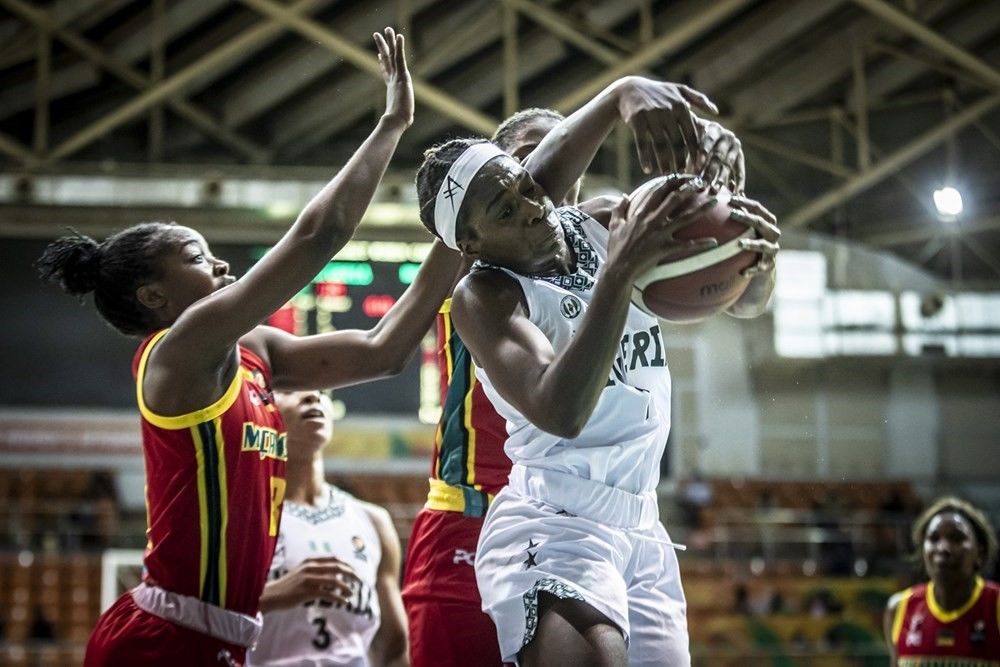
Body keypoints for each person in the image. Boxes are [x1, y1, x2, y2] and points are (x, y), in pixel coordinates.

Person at [36, 29, 455, 667]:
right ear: (154, 297)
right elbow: (320, 235)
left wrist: (461, 236)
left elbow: (383, 350)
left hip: (230, 637)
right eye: (198, 257)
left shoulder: (253, 350)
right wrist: (391, 125)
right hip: (161, 639)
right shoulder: (176, 357)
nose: (223, 265)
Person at [413, 75, 778, 666]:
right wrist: (620, 271)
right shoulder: (485, 299)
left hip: (643, 522)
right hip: (555, 523)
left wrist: (752, 253)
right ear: (472, 243)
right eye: (508, 209)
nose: (535, 206)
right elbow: (561, 409)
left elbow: (745, 301)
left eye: (530, 185)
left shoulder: (604, 218)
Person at [249, 390, 407, 667]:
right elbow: (199, 618)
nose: (311, 395)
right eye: (290, 388)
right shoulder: (242, 517)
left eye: (321, 391)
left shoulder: (372, 521)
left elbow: (395, 647)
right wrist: (275, 594)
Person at [884, 496, 1000, 665]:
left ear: (980, 553)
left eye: (957, 538)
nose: (943, 548)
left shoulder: (995, 605)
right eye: (934, 538)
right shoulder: (899, 608)